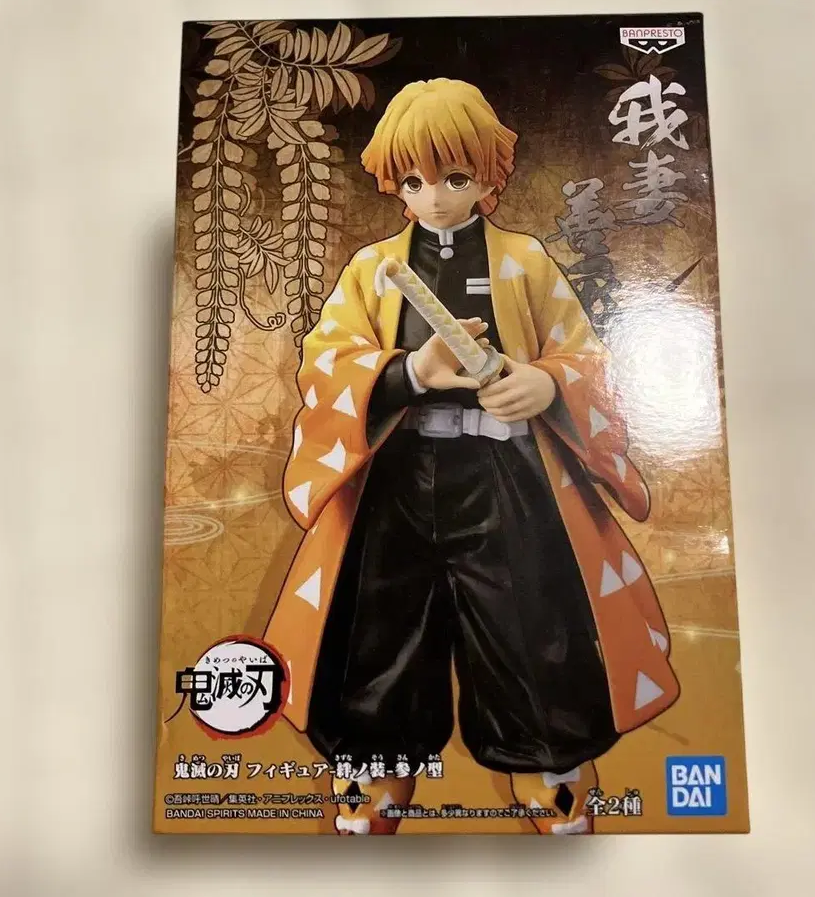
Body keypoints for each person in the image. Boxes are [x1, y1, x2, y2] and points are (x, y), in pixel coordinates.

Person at [263, 79, 679, 835]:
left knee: (533, 627)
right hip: (395, 484)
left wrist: (545, 384)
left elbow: (587, 359)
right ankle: (373, 774)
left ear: (490, 176)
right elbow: (326, 365)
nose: (434, 197)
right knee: (378, 631)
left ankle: (551, 775)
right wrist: (408, 374)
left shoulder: (527, 261)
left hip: (507, 480)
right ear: (394, 182)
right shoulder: (372, 269)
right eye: (414, 181)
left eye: (455, 177)